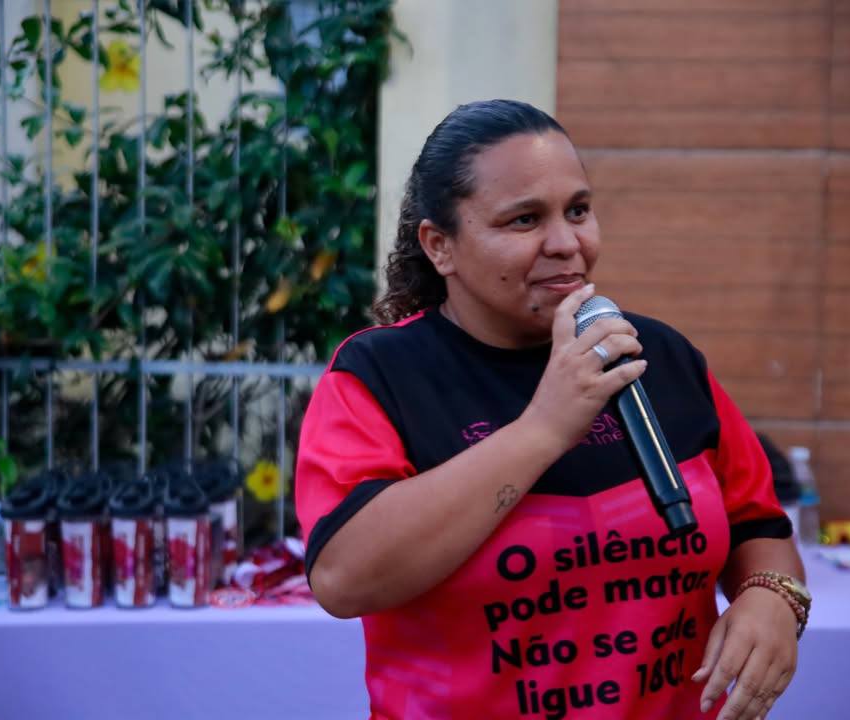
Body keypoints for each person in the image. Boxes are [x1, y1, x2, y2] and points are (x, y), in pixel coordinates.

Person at [295, 99, 807, 720]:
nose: (567, 243)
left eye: (579, 211)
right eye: (524, 220)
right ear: (440, 246)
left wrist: (772, 598)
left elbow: (759, 527)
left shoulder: (659, 355)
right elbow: (345, 579)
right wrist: (544, 426)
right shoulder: (380, 375)